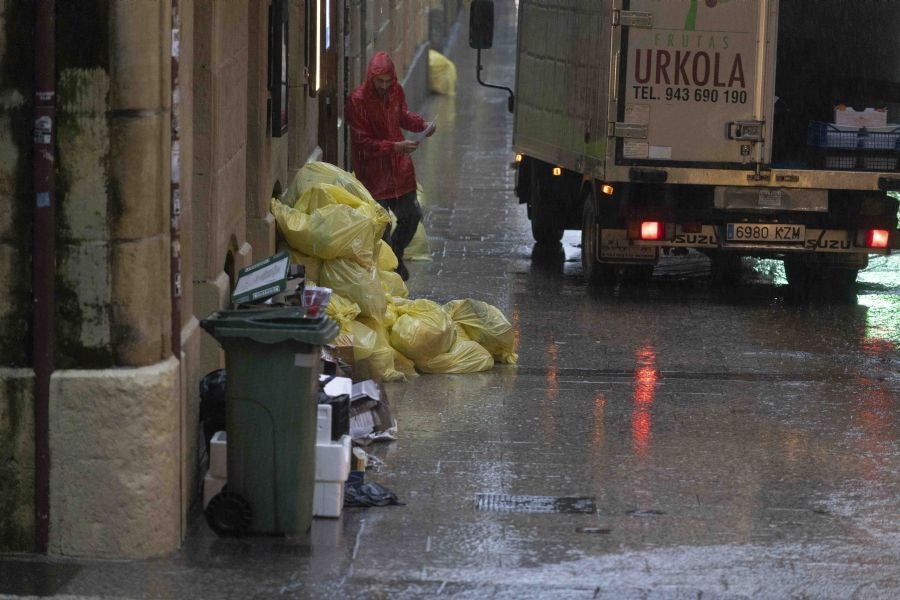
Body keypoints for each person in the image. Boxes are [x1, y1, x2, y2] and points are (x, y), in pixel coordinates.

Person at [345, 51, 435, 281]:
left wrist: (421, 125)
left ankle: (395, 255)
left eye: (387, 81)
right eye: (379, 81)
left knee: (412, 215)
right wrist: (394, 147)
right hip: (373, 173)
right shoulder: (358, 100)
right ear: (371, 78)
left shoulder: (396, 92)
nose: (384, 86)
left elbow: (402, 116)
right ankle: (387, 271)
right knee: (380, 225)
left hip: (399, 170)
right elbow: (362, 141)